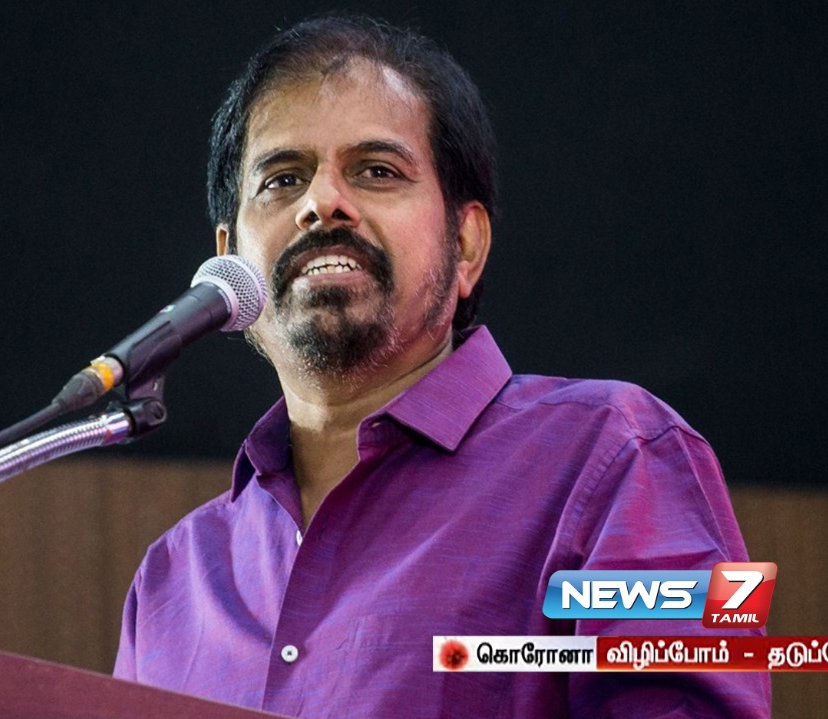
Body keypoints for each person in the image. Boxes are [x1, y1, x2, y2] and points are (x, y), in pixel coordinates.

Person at [114, 13, 770, 718]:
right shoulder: (173, 580)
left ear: (467, 245)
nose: (321, 202)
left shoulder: (613, 458)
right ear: (228, 259)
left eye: (376, 171)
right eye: (282, 179)